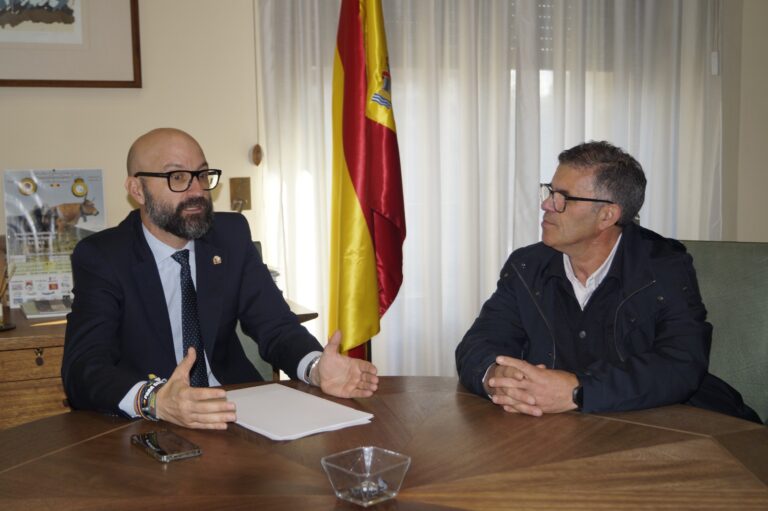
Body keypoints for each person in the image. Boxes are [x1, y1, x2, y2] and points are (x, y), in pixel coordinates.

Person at [62, 127, 379, 430]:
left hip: (236, 408)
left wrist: (314, 367)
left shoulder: (230, 236)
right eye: (178, 177)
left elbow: (276, 326)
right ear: (137, 190)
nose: (197, 191)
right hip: (151, 424)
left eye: (202, 175)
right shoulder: (103, 257)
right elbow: (83, 368)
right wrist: (154, 399)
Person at [455, 141, 760, 423]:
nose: (546, 205)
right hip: (563, 431)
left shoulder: (664, 267)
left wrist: (578, 391)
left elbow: (681, 365)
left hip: (673, 426)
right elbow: (478, 343)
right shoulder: (526, 266)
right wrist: (496, 376)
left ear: (607, 215)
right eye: (549, 191)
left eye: (563, 198)